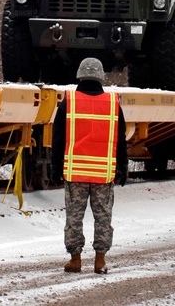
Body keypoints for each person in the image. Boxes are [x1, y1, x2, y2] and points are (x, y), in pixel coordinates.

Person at [51, 57, 128, 274]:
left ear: (79, 75)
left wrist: (55, 167)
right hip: (103, 174)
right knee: (103, 216)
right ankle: (100, 260)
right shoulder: (113, 104)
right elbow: (120, 139)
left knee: (74, 217)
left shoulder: (69, 102)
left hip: (75, 173)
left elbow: (58, 139)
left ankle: (75, 260)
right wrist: (123, 167)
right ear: (101, 77)